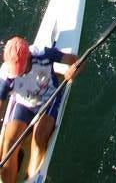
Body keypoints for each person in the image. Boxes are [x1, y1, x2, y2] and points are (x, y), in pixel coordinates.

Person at [0, 36, 80, 183]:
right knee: (9, 144)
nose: (18, 73)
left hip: (48, 100)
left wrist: (73, 72)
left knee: (38, 139)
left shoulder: (43, 53)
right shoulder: (5, 75)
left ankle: (32, 179)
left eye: (20, 69)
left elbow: (76, 61)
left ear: (29, 57)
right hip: (23, 104)